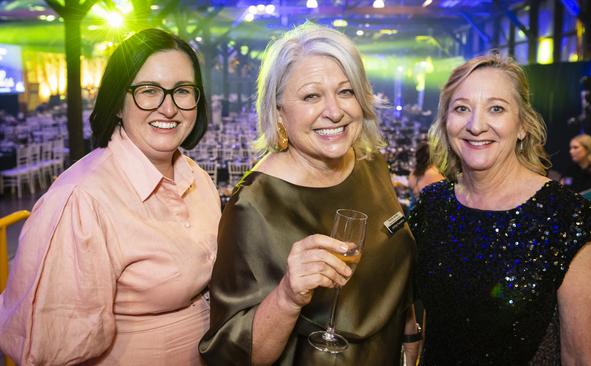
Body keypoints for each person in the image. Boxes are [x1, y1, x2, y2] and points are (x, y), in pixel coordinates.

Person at [199, 23, 419, 365]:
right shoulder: (254, 206)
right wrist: (287, 296)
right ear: (279, 112)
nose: (334, 111)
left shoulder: (370, 163)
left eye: (346, 91)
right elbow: (232, 354)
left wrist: (410, 332)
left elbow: (393, 267)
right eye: (311, 96)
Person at [0, 28, 221, 365]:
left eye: (182, 91)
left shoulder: (198, 177)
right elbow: (51, 348)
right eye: (149, 91)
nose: (169, 108)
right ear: (118, 102)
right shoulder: (81, 199)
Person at [409, 53, 591, 365]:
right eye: (462, 108)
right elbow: (403, 294)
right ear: (446, 121)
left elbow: (581, 357)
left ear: (522, 126)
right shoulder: (434, 204)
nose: (476, 125)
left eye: (496, 108)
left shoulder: (564, 217)